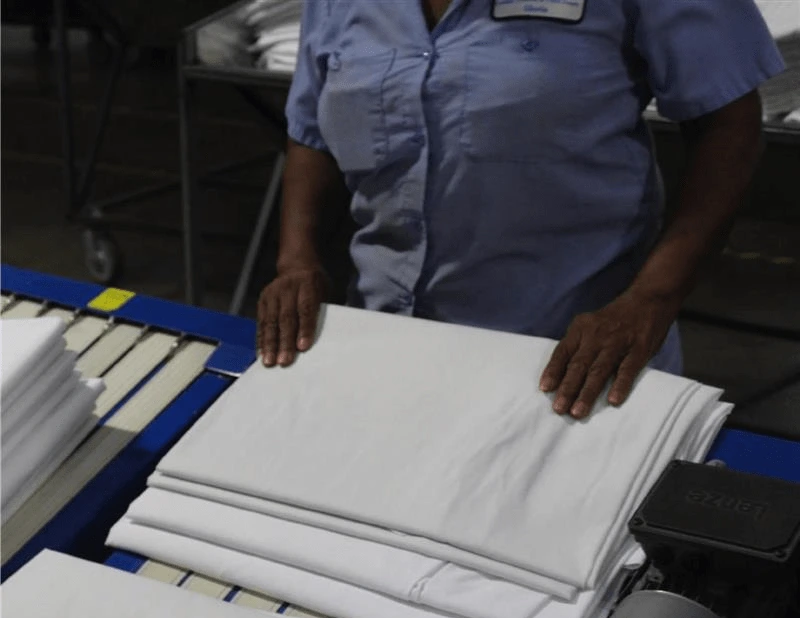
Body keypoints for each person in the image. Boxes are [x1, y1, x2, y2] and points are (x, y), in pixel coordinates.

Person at [257, 0, 784, 418]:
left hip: (573, 367)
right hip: (391, 347)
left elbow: (728, 124)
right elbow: (311, 125)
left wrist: (652, 298)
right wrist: (297, 259)